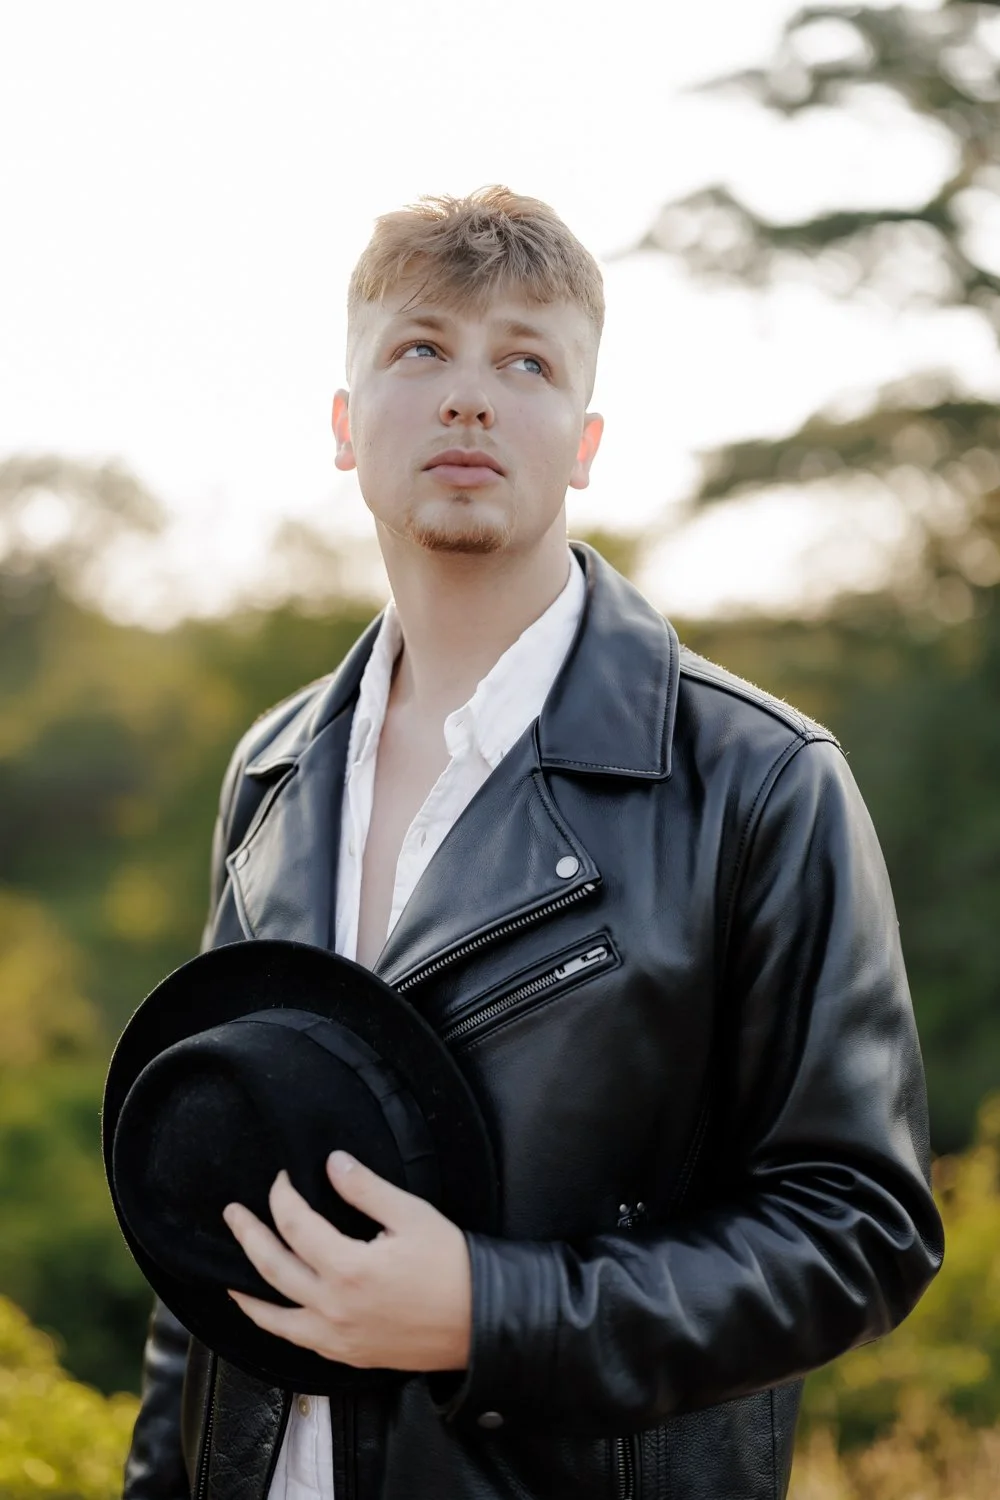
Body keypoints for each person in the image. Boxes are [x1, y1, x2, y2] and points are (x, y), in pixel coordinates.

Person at [122, 186, 944, 1500]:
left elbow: (863, 1229)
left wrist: (487, 1313)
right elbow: (202, 1211)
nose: (468, 396)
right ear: (346, 426)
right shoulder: (272, 770)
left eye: (525, 360)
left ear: (584, 438)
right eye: (419, 349)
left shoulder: (761, 780)